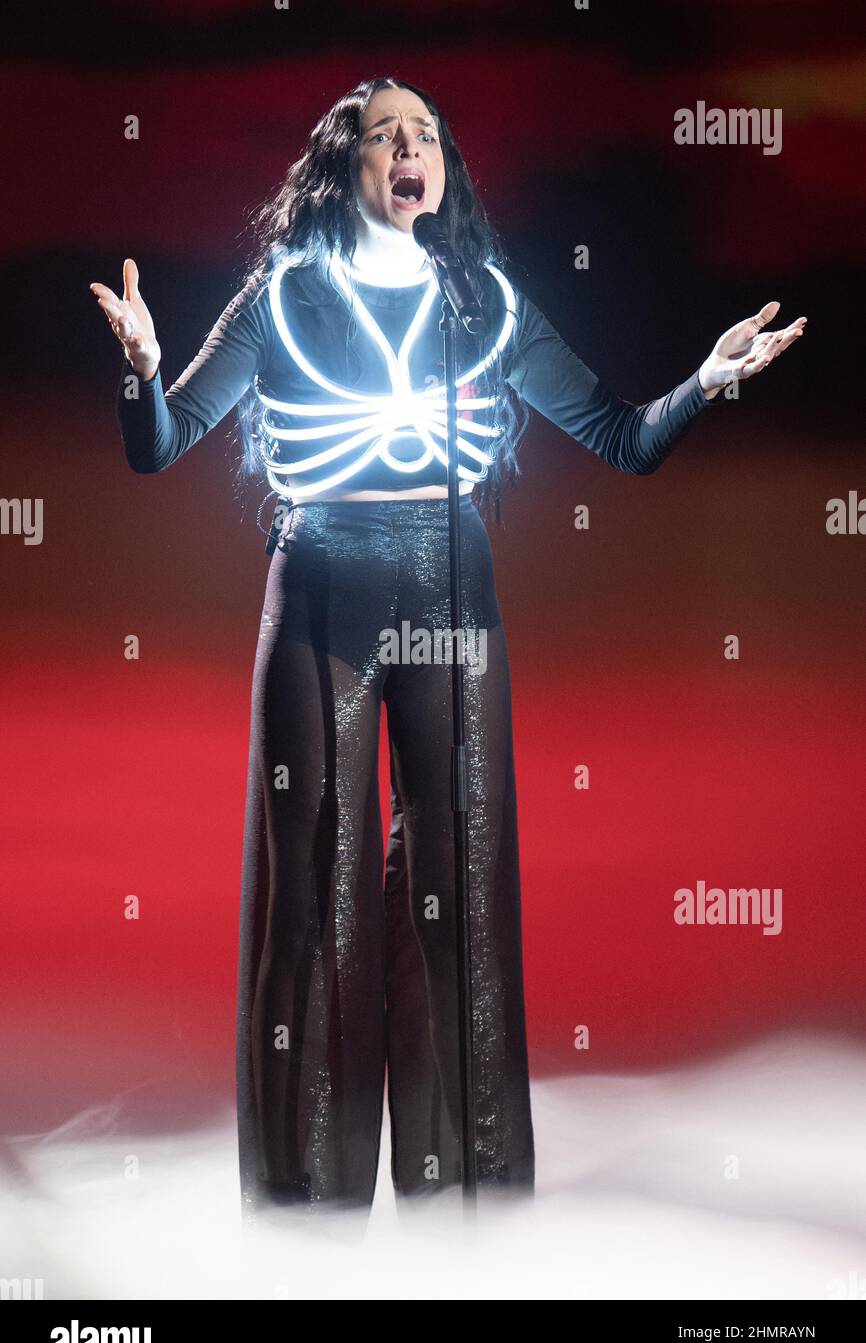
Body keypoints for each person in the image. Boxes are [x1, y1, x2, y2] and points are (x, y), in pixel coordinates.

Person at [90, 76, 806, 1222]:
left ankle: (464, 1190)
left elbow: (620, 439)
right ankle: (304, 1193)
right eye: (384, 135)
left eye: (425, 132)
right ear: (346, 171)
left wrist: (707, 382)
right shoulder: (280, 298)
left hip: (454, 584)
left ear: (440, 170)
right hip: (321, 580)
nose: (410, 147)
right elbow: (161, 445)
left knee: (457, 887)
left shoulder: (483, 301)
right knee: (315, 882)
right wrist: (137, 372)